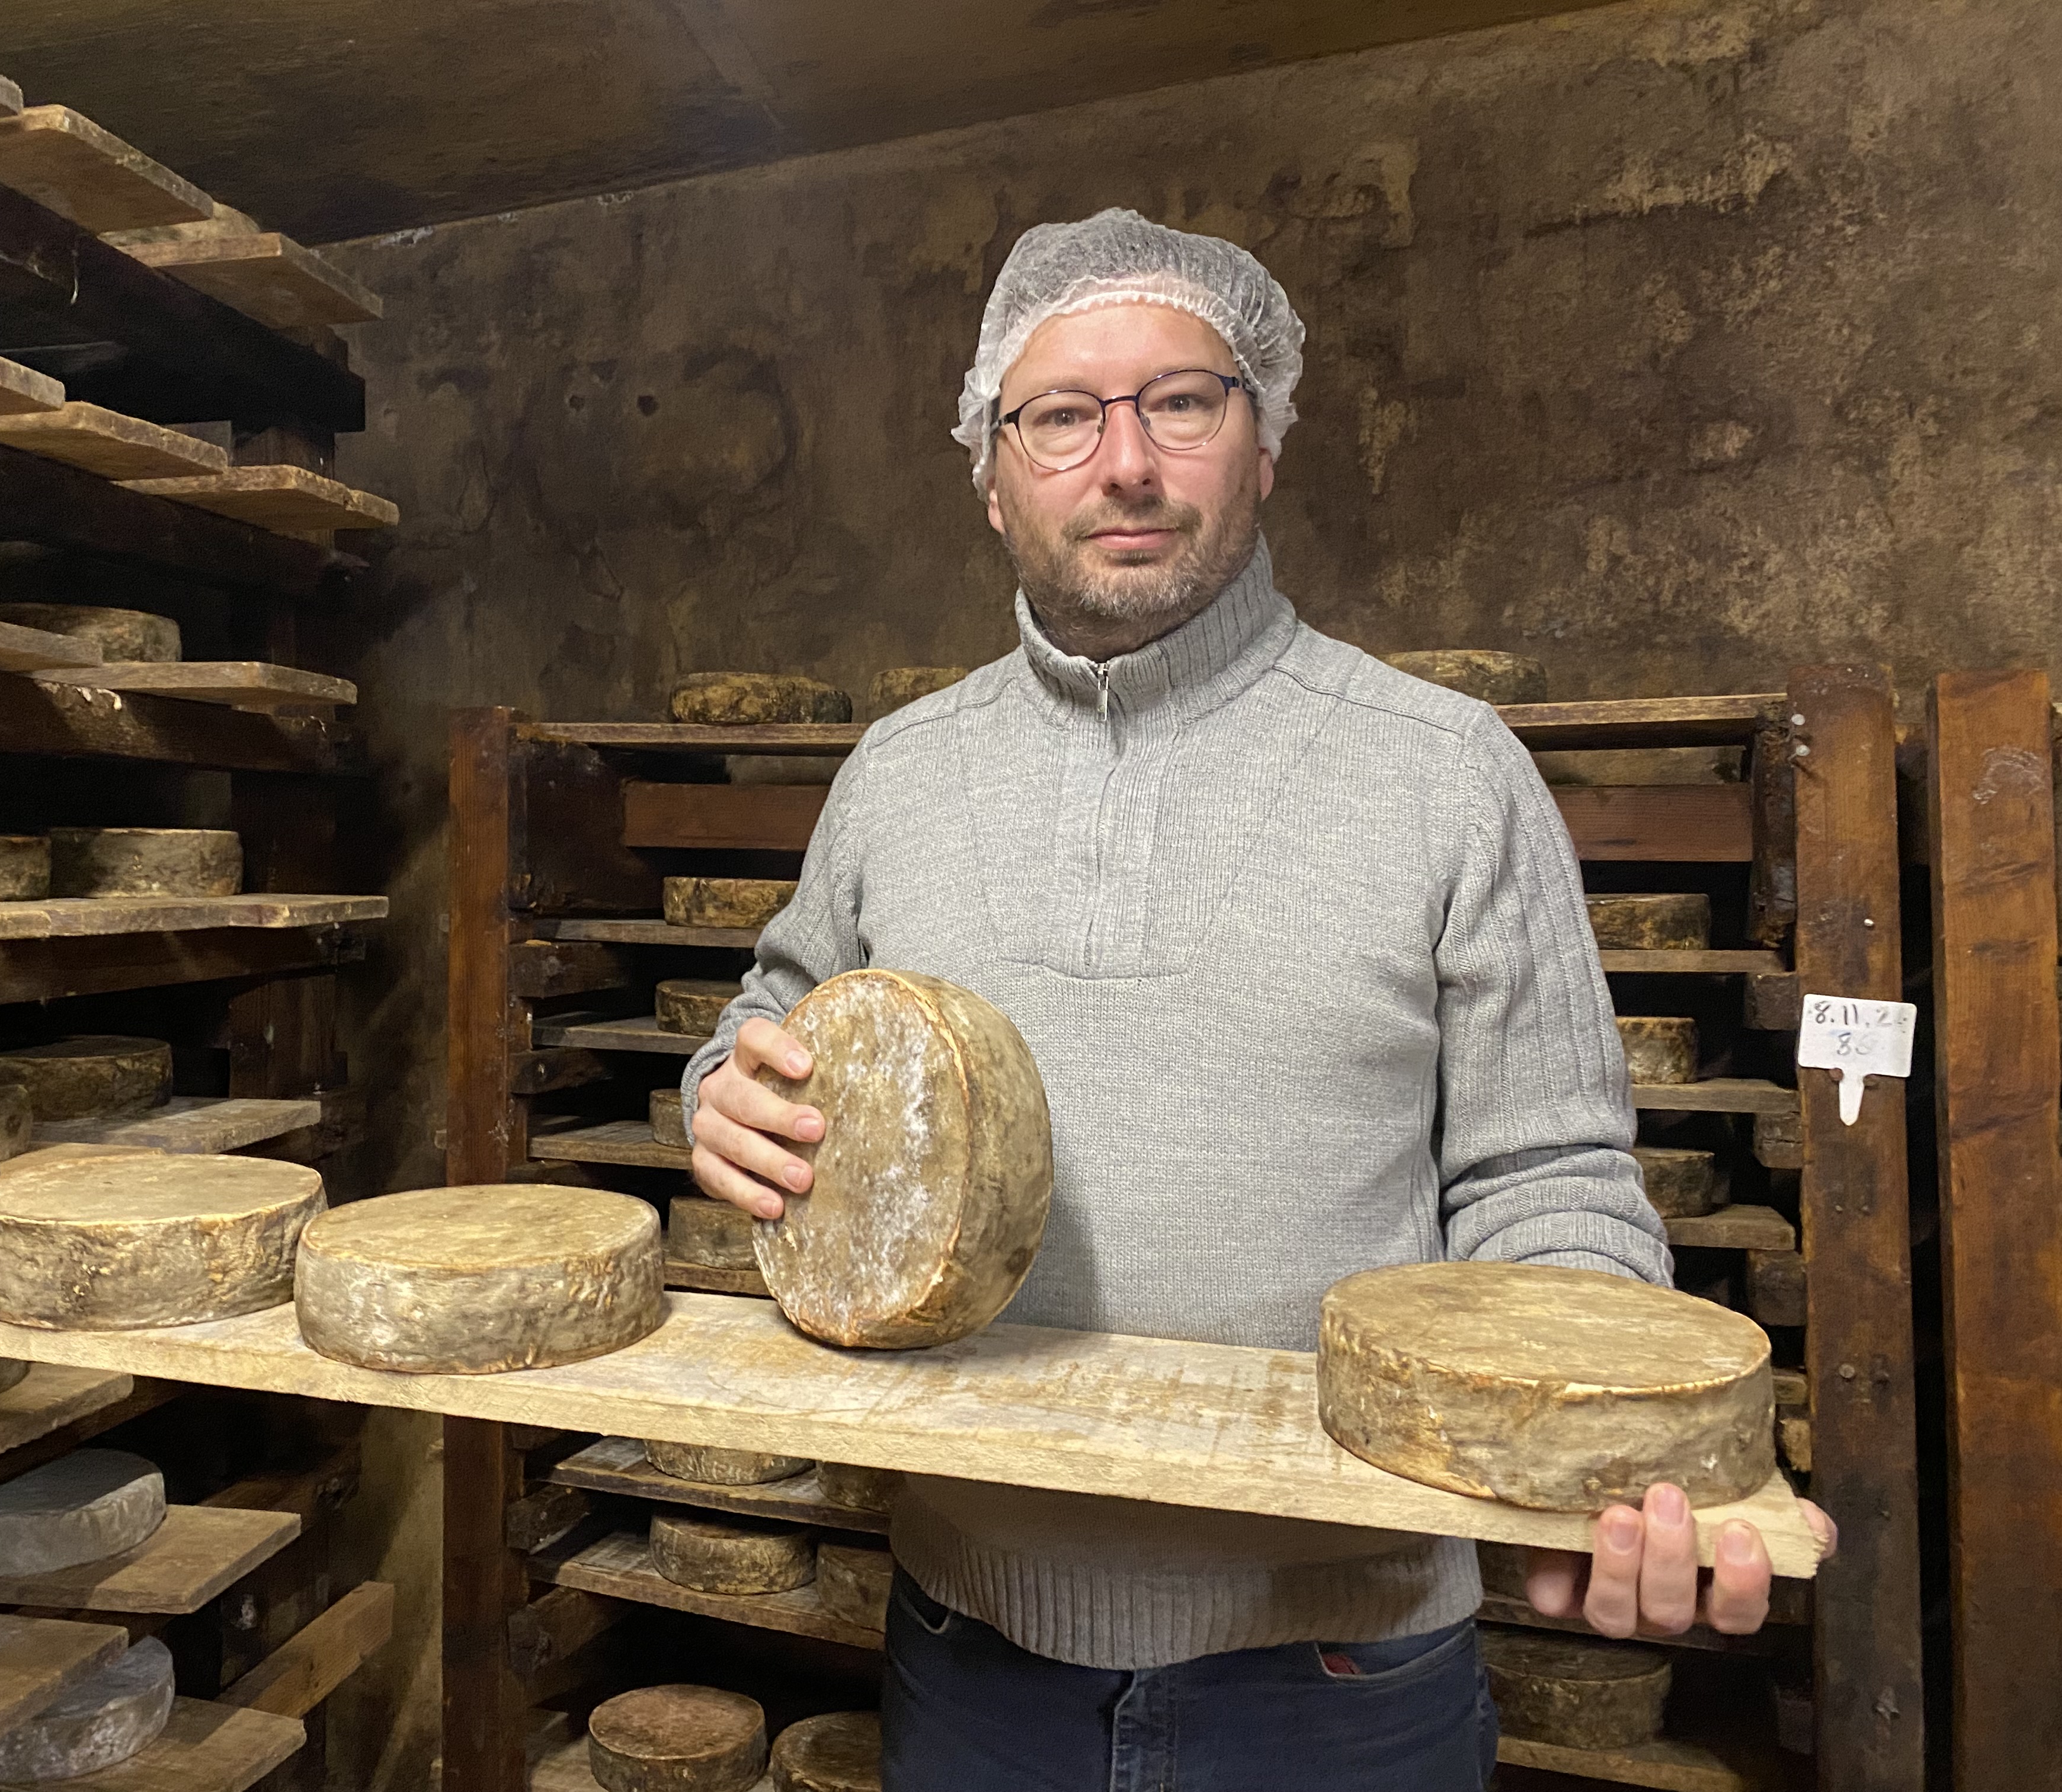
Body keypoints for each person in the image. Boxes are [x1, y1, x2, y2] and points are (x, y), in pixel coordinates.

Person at [681, 208, 1832, 1791]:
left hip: (1344, 1681)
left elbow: (1543, 1177)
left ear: (1266, 439)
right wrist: (720, 1097)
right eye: (1065, 417)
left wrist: (1602, 1451)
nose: (1128, 462)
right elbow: (774, 1015)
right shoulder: (899, 773)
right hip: (969, 1655)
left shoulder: (1446, 772)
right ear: (992, 470)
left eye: (1185, 400)